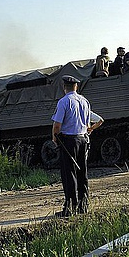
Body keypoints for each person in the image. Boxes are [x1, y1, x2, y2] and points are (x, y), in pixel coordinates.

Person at [51, 75, 103, 216]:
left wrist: (55, 139)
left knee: (69, 174)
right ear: (76, 86)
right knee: (82, 173)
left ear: (64, 87)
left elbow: (57, 125)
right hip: (83, 140)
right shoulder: (85, 101)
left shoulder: (63, 102)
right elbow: (88, 124)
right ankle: (83, 206)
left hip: (69, 141)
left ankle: (70, 208)